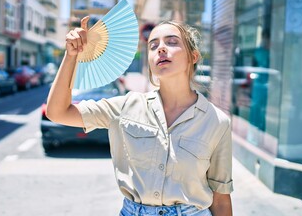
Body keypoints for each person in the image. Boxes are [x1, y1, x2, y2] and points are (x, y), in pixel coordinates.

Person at [46, 16, 233, 216]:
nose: (161, 48)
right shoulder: (125, 106)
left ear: (193, 57)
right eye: (153, 46)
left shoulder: (217, 122)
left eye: (171, 42)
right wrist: (71, 56)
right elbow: (58, 112)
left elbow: (220, 198)